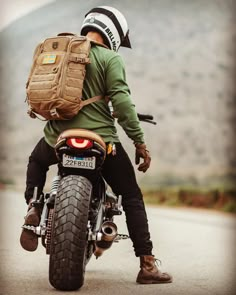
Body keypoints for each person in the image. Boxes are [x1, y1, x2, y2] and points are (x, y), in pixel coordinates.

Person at [20, 6, 172, 284]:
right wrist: (140, 142)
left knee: (37, 161)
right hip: (102, 141)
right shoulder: (110, 58)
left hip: (58, 138)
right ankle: (148, 265)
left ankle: (33, 207)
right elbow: (123, 103)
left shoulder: (64, 54)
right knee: (131, 194)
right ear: (113, 32)